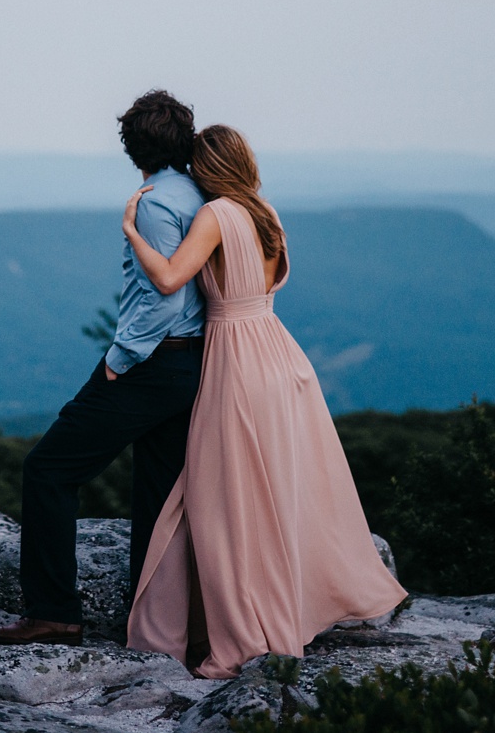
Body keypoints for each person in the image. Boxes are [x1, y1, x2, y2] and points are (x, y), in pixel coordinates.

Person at [123, 124, 407, 677]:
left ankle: (241, 624)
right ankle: (295, 605)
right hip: (280, 355)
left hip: (235, 359)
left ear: (204, 169)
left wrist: (133, 230)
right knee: (277, 487)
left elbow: (168, 279)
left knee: (226, 496)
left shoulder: (215, 217)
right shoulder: (266, 214)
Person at [0, 90, 207, 646]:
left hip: (151, 361)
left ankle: (54, 612)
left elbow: (164, 297)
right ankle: (154, 626)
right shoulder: (201, 193)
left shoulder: (153, 202)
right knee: (157, 494)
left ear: (132, 146)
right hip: (191, 364)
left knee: (49, 470)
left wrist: (119, 360)